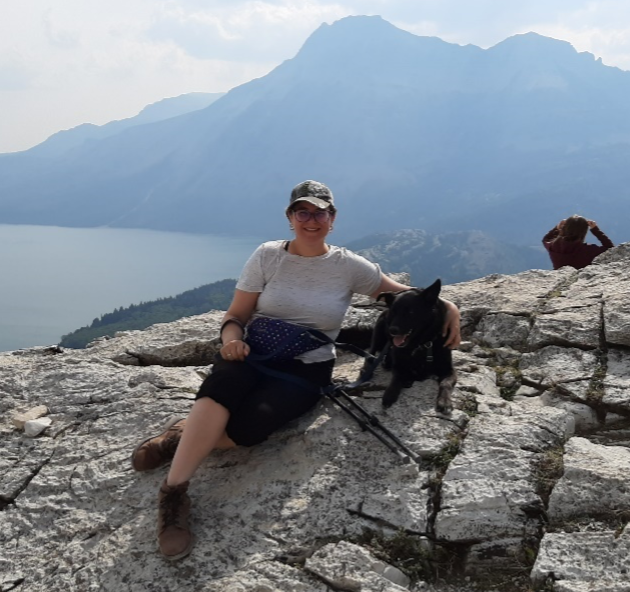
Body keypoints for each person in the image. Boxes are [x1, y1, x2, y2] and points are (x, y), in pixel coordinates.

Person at [131, 180, 462, 561]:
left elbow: (403, 294)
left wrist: (448, 305)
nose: (311, 219)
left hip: (308, 367)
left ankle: (178, 438)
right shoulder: (267, 256)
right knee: (221, 389)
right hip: (251, 351)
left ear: (332, 219)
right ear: (290, 218)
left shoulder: (349, 266)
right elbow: (236, 315)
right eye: (302, 212)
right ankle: (173, 494)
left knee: (248, 431)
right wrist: (230, 339)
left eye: (320, 212)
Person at [542, 215, 614, 270]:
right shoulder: (588, 250)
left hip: (559, 279)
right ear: (584, 231)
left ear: (564, 228)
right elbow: (610, 249)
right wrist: (596, 230)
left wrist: (557, 228)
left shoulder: (553, 247)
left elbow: (546, 239)